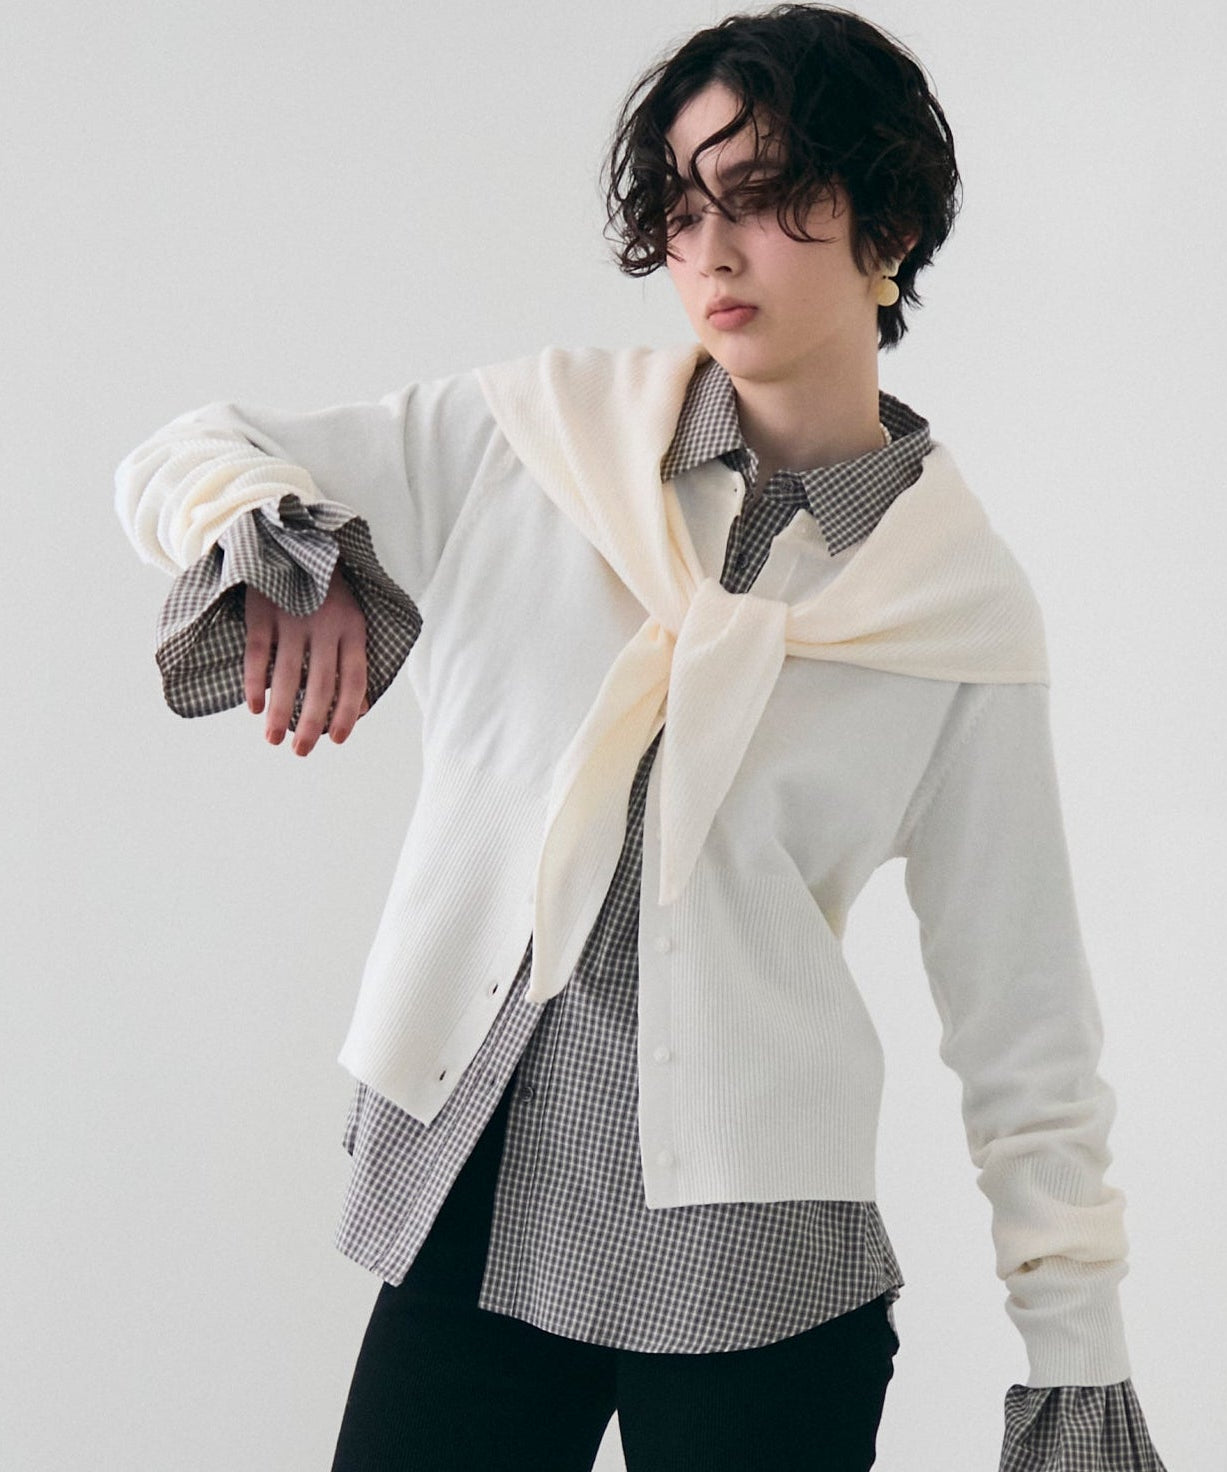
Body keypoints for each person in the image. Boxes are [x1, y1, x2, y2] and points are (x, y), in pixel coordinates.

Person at [113, 5, 1168, 1469]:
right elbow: (193, 446)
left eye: (765, 196)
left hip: (762, 1265)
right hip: (482, 1206)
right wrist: (286, 548)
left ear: (892, 227)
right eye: (681, 208)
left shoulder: (956, 609)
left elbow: (1024, 1025)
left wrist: (1075, 1355)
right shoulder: (536, 444)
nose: (711, 252)